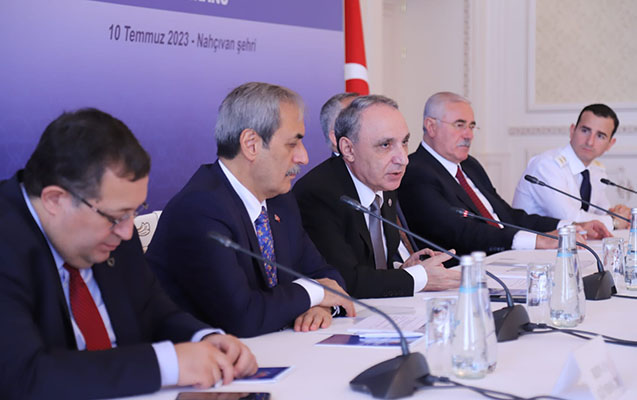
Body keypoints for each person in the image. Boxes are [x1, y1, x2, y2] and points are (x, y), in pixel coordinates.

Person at [0, 109, 257, 400]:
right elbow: (22, 377)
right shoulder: (7, 243)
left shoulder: (116, 229)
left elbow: (154, 311)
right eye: (117, 216)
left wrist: (206, 340)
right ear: (55, 199)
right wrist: (167, 365)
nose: (126, 232)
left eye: (134, 212)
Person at [146, 82, 355, 338]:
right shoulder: (200, 208)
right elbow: (243, 317)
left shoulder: (280, 201)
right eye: (292, 144)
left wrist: (320, 306)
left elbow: (328, 275)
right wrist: (315, 293)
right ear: (251, 144)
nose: (304, 157)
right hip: (201, 356)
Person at [398, 92, 611, 256]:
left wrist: (568, 227)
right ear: (431, 126)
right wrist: (537, 240)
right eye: (459, 125)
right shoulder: (416, 172)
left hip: (507, 258)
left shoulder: (470, 165)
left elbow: (508, 216)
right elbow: (461, 232)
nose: (469, 135)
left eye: (472, 126)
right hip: (465, 273)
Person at [294, 95, 460, 299]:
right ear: (348, 149)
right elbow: (345, 280)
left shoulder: (383, 180)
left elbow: (374, 264)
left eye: (404, 142)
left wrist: (403, 269)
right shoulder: (318, 194)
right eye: (385, 145)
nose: (403, 159)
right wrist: (417, 277)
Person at [512, 104, 630, 231]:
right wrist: (614, 221)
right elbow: (570, 218)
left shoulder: (596, 171)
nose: (590, 142)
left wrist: (619, 214)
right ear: (572, 131)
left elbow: (603, 211)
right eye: (585, 131)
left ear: (610, 144)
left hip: (570, 241)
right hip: (532, 241)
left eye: (600, 136)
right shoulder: (546, 166)